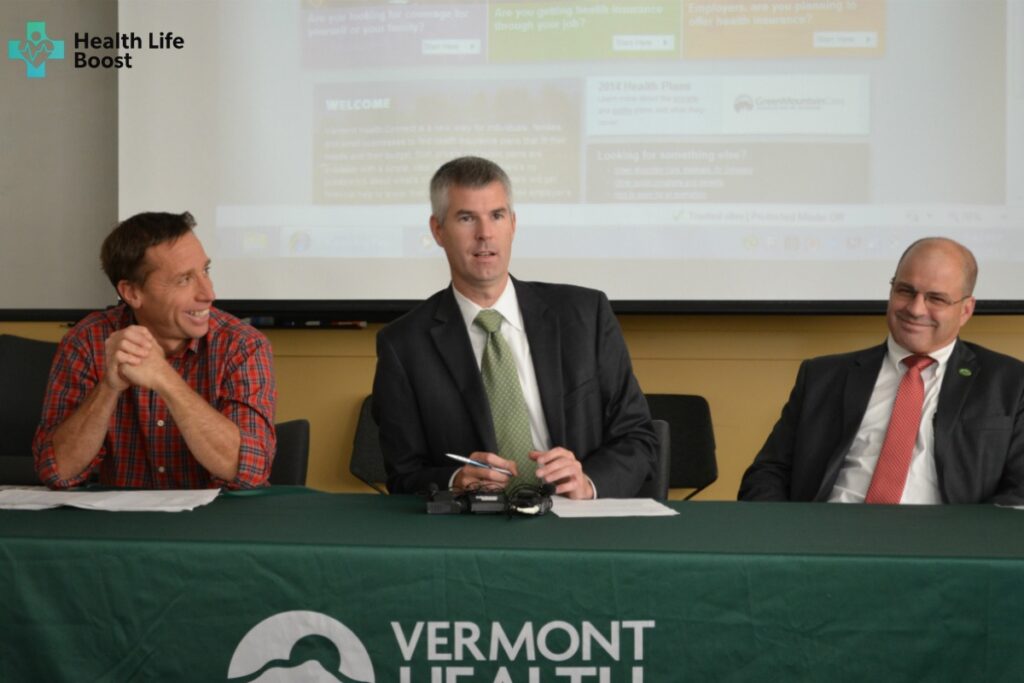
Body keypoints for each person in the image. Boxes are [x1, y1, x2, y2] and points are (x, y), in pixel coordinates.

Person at [372, 156, 656, 498]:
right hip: (474, 530)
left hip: (576, 520)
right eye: (466, 218)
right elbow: (403, 475)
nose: (485, 234)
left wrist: (588, 483)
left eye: (497, 215)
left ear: (513, 224)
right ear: (437, 230)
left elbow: (638, 437)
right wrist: (454, 481)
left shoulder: (585, 316)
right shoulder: (403, 345)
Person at [739, 237, 1024, 504]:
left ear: (965, 310)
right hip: (828, 537)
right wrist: (784, 539)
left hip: (943, 544)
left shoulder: (1010, 383)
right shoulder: (822, 376)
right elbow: (768, 473)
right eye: (905, 291)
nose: (915, 309)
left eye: (936, 299)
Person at [33, 211, 276, 489]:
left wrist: (165, 379)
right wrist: (109, 388)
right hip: (124, 523)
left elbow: (249, 471)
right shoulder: (87, 341)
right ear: (132, 293)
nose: (208, 293)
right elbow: (57, 472)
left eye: (205, 271)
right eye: (184, 280)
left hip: (218, 523)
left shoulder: (243, 345)